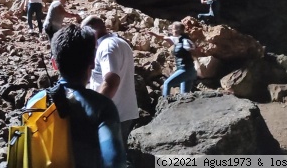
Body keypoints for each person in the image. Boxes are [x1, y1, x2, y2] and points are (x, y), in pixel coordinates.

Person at [25, 24, 126, 167]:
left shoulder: (34, 103)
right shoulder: (102, 107)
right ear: (92, 62)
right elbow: (114, 161)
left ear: (54, 64)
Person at [81, 16, 139, 150]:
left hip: (113, 114)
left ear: (92, 31)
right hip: (123, 112)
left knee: (109, 157)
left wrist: (94, 111)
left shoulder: (106, 47)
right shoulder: (120, 42)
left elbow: (111, 81)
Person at [150, 22, 197, 96]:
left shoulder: (185, 40)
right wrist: (155, 35)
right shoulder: (177, 39)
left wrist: (190, 49)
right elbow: (164, 37)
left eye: (173, 29)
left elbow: (192, 48)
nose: (172, 31)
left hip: (186, 70)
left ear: (179, 30)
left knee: (167, 83)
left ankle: (165, 103)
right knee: (184, 95)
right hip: (185, 70)